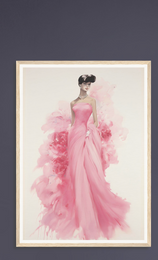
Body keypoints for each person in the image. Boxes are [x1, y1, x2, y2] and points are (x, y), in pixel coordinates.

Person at [32, 74, 130, 240]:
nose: (87, 86)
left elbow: (96, 122)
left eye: (89, 84)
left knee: (90, 169)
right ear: (80, 84)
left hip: (87, 134)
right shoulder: (73, 103)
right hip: (75, 136)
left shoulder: (91, 102)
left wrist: (89, 133)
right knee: (76, 170)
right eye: (85, 84)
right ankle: (79, 210)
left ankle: (94, 208)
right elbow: (72, 123)